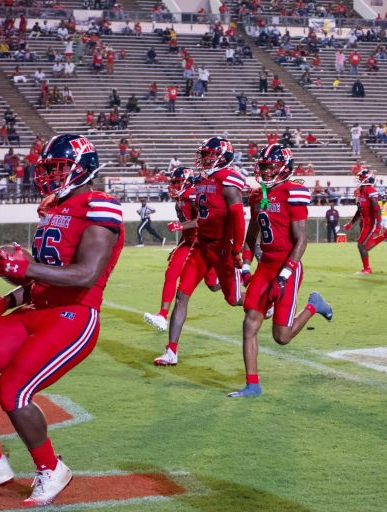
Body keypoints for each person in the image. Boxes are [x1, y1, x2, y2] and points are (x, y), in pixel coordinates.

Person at [0, 134, 125, 507]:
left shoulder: (100, 205)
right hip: (36, 309)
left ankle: (51, 469)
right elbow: (43, 278)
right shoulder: (54, 207)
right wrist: (4, 301)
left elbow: (85, 275)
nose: (49, 175)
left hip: (73, 316)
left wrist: (26, 266)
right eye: (47, 168)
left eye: (57, 167)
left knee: (14, 390)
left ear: (82, 167)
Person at [230, 144, 333, 397]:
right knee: (249, 324)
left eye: (270, 168)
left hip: (287, 266)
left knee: (282, 337)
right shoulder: (257, 196)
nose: (265, 173)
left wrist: (285, 276)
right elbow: (251, 236)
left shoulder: (293, 191)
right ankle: (252, 385)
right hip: (265, 266)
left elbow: (301, 241)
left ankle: (313, 306)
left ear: (284, 168)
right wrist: (245, 265)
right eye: (263, 168)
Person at [153, 137, 246, 366]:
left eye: (209, 155)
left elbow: (238, 217)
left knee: (234, 299)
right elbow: (200, 216)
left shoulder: (228, 179)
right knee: (182, 294)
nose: (204, 159)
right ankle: (171, 351)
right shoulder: (204, 181)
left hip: (222, 246)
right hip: (201, 245)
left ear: (222, 157)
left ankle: (264, 302)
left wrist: (236, 249)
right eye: (203, 155)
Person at [143, 167, 220, 331]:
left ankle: (239, 284)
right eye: (173, 182)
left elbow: (203, 219)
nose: (174, 185)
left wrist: (180, 225)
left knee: (213, 284)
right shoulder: (180, 198)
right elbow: (188, 229)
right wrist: (179, 245)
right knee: (171, 273)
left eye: (178, 182)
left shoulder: (193, 194)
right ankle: (162, 316)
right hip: (189, 242)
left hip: (203, 243)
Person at [343, 168, 387, 274]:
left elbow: (376, 208)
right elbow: (359, 210)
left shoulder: (370, 190)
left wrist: (378, 224)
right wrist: (351, 223)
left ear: (367, 178)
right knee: (365, 246)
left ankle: (367, 269)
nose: (359, 178)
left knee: (361, 245)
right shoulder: (360, 191)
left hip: (371, 222)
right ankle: (385, 234)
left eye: (361, 176)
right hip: (366, 222)